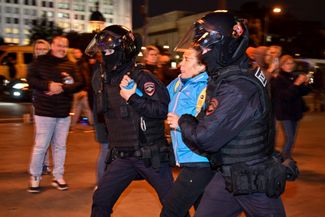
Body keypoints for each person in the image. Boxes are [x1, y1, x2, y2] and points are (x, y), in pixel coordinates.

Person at [174, 11, 287, 217]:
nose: (203, 51)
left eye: (207, 46)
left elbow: (205, 137)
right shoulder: (230, 75)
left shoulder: (238, 86)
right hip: (229, 174)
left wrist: (184, 121)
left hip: (253, 179)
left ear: (224, 45)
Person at [85, 25, 174, 216]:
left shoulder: (142, 76)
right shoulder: (103, 79)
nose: (105, 55)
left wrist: (133, 98)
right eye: (103, 51)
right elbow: (104, 114)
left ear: (122, 50)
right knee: (101, 200)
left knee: (173, 206)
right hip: (121, 156)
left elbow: (161, 109)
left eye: (109, 50)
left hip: (149, 156)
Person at [160, 47, 215, 217]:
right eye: (181, 59)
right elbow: (158, 98)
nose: (180, 64)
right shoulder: (178, 83)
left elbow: (209, 126)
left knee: (171, 210)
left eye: (187, 59)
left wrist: (180, 122)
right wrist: (134, 88)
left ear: (202, 66)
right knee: (203, 211)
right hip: (187, 159)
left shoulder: (207, 88)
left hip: (200, 160)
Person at [27, 35, 83, 193]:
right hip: (44, 112)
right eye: (59, 45)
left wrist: (62, 88)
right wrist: (48, 85)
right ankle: (35, 177)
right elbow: (30, 79)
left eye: (65, 46)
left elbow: (80, 83)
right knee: (41, 146)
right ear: (52, 45)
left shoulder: (71, 65)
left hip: (63, 112)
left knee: (60, 146)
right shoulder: (40, 62)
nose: (62, 48)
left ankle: (58, 176)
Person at [271, 55, 311, 159]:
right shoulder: (278, 79)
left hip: (295, 112)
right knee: (290, 138)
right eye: (287, 63)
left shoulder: (292, 76)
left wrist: (305, 83)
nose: (290, 66)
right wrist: (297, 83)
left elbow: (303, 92)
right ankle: (284, 158)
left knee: (292, 138)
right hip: (285, 113)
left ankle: (287, 157)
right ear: (281, 65)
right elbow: (285, 96)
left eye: (292, 63)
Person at [32, 39, 52, 175]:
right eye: (38, 49)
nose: (40, 52)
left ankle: (44, 164)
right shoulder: (33, 66)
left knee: (47, 138)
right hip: (37, 106)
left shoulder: (51, 66)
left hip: (50, 107)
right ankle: (43, 165)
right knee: (40, 138)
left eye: (43, 49)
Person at [70, 48, 94, 130]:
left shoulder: (82, 64)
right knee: (79, 107)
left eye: (77, 52)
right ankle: (72, 125)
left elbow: (86, 77)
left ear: (80, 53)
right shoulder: (78, 63)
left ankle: (93, 124)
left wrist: (85, 89)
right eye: (74, 53)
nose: (75, 54)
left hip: (81, 89)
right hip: (78, 89)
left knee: (81, 107)